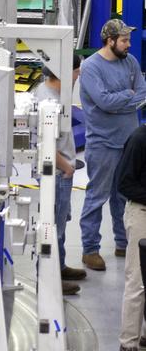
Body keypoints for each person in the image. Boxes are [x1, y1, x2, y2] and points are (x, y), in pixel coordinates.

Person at [79, 19, 146, 272]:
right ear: (110, 41)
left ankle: (123, 242)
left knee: (124, 197)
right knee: (97, 196)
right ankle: (90, 249)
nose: (129, 44)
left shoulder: (130, 62)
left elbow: (142, 93)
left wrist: (124, 100)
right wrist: (127, 98)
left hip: (128, 141)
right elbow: (104, 102)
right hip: (102, 142)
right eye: (124, 40)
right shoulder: (92, 68)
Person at [35, 56, 84, 294]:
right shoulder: (49, 103)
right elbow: (46, 146)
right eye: (76, 71)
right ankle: (49, 278)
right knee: (53, 227)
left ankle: (60, 266)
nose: (78, 76)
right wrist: (66, 167)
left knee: (60, 222)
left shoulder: (48, 93)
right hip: (56, 173)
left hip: (60, 171)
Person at [117, 119, 146, 350]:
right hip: (141, 215)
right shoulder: (138, 139)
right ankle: (128, 343)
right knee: (137, 282)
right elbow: (124, 184)